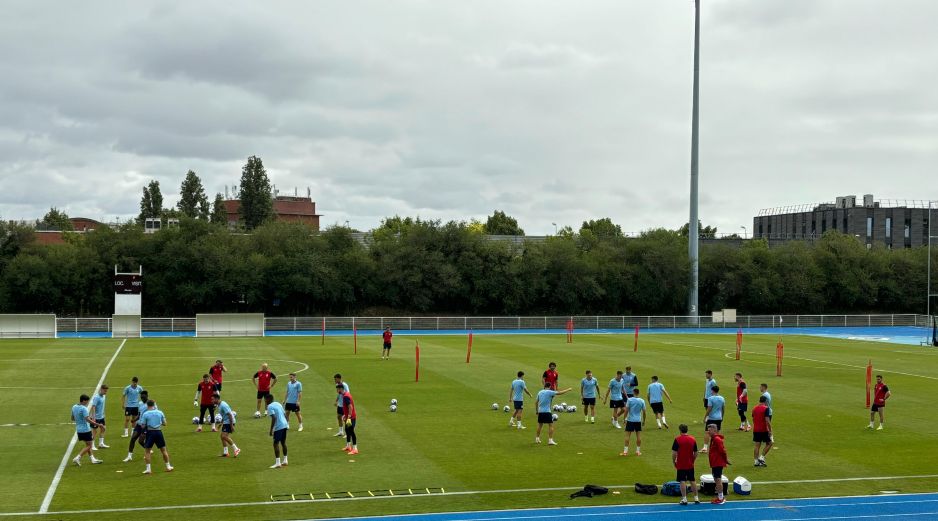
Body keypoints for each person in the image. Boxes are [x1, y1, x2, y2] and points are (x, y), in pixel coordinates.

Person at [140, 399, 173, 474]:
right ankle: (168, 466)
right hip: (158, 432)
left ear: (147, 405)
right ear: (154, 405)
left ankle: (148, 469)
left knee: (147, 451)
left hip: (150, 433)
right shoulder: (160, 412)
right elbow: (165, 423)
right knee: (163, 450)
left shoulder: (145, 414)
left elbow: (142, 426)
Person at [672, 424, 700, 505]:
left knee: (682, 480)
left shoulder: (677, 439)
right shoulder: (693, 439)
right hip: (690, 463)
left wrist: (674, 462)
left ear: (680, 430)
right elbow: (696, 452)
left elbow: (674, 453)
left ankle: (684, 499)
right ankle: (696, 498)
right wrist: (693, 460)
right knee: (692, 480)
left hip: (681, 463)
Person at [71, 394, 102, 466]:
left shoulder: (74, 407)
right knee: (90, 446)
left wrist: (79, 419)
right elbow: (88, 420)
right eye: (87, 401)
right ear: (83, 401)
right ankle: (77, 457)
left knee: (87, 445)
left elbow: (72, 418)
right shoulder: (84, 409)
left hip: (78, 430)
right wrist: (98, 424)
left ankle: (92, 459)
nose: (88, 403)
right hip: (85, 430)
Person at [123, 390, 150, 462]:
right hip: (139, 424)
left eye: (143, 397)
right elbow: (139, 414)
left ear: (147, 396)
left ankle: (148, 451)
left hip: (146, 426)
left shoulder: (150, 404)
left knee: (141, 441)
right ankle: (129, 456)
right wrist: (134, 420)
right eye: (141, 397)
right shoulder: (140, 403)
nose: (142, 399)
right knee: (133, 439)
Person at [707, 423, 730, 504]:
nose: (708, 432)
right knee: (716, 479)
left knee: (718, 479)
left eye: (709, 430)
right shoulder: (713, 439)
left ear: (714, 430)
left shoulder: (717, 439)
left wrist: (726, 460)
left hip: (718, 462)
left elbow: (722, 450)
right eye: (708, 430)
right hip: (715, 462)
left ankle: (721, 498)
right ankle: (720, 496)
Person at [620, 388, 646, 456]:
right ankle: (638, 451)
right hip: (638, 420)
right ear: (638, 393)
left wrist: (624, 418)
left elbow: (626, 410)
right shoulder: (642, 401)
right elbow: (644, 412)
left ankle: (625, 452)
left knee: (627, 436)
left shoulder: (630, 400)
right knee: (638, 436)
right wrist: (644, 421)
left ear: (633, 392)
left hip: (630, 420)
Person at [213, 393, 240, 458]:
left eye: (213, 399)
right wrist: (221, 423)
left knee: (224, 436)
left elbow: (230, 415)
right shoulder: (219, 405)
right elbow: (224, 415)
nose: (212, 401)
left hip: (229, 422)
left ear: (217, 399)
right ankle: (226, 453)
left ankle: (236, 449)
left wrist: (231, 426)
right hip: (226, 421)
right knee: (222, 436)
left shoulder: (223, 405)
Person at [266, 396, 290, 468]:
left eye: (265, 400)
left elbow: (274, 417)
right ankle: (285, 460)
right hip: (284, 425)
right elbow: (285, 414)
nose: (265, 402)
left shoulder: (270, 406)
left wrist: (271, 430)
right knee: (283, 442)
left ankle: (278, 463)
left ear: (268, 399)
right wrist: (287, 424)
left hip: (279, 426)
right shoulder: (278, 403)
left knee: (275, 443)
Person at [701, 385, 725, 453]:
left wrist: (705, 417)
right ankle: (717, 446)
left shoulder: (710, 398)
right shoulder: (722, 398)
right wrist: (722, 417)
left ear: (712, 390)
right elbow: (723, 409)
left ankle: (705, 447)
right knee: (717, 432)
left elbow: (709, 409)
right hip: (719, 417)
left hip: (712, 418)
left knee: (707, 432)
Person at [752, 395, 772, 467]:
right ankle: (762, 457)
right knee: (770, 443)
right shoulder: (766, 408)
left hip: (756, 429)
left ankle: (756, 461)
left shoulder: (754, 408)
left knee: (757, 445)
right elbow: (767, 420)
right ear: (765, 401)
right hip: (763, 429)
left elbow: (753, 418)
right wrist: (770, 430)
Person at [338, 384, 358, 454]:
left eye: (338, 389)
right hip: (349, 417)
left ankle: (355, 448)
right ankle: (348, 446)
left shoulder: (346, 397)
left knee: (351, 432)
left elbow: (350, 407)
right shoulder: (346, 394)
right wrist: (345, 415)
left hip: (351, 418)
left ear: (341, 389)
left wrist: (348, 416)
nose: (337, 391)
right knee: (347, 430)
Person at [89, 385, 109, 450]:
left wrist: (103, 414)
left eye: (106, 391)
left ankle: (101, 443)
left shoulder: (104, 396)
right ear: (101, 389)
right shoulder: (96, 397)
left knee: (103, 429)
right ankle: (92, 445)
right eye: (105, 391)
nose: (106, 392)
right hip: (95, 417)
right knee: (94, 432)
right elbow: (93, 407)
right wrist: (94, 417)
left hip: (101, 416)